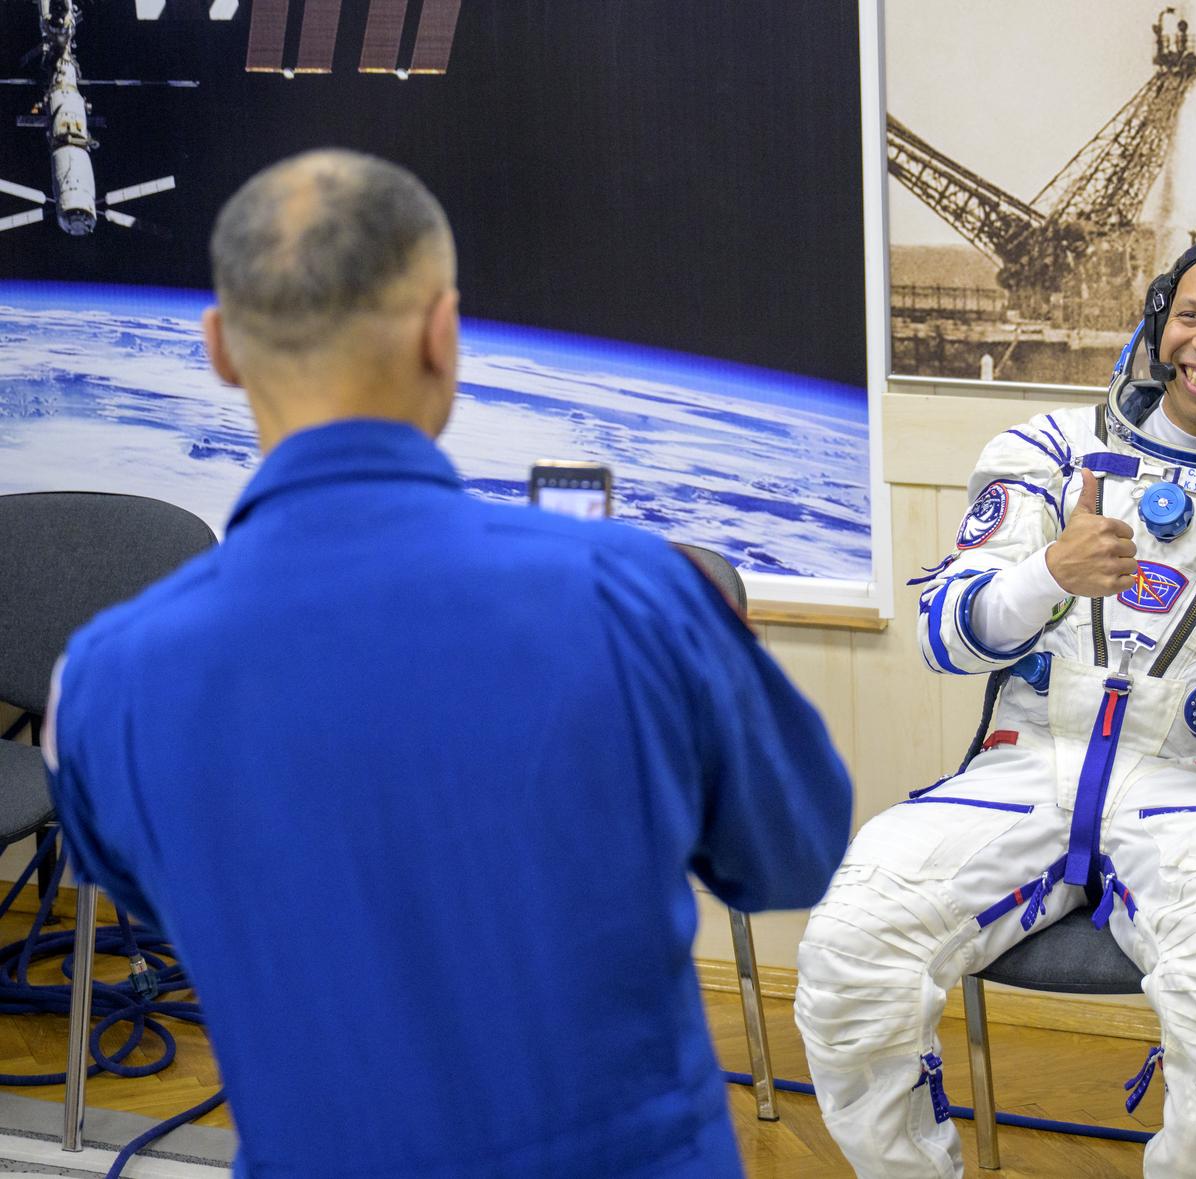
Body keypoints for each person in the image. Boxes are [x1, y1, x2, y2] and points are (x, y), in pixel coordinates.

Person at [41, 150, 853, 1178]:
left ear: (220, 350)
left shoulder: (104, 683)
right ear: (443, 333)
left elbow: (171, 898)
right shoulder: (637, 597)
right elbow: (795, 855)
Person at [793, 232, 1196, 1178]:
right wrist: (1047, 573)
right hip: (1025, 767)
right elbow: (944, 636)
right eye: (1190, 316)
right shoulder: (1051, 452)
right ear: (1159, 324)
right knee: (850, 945)